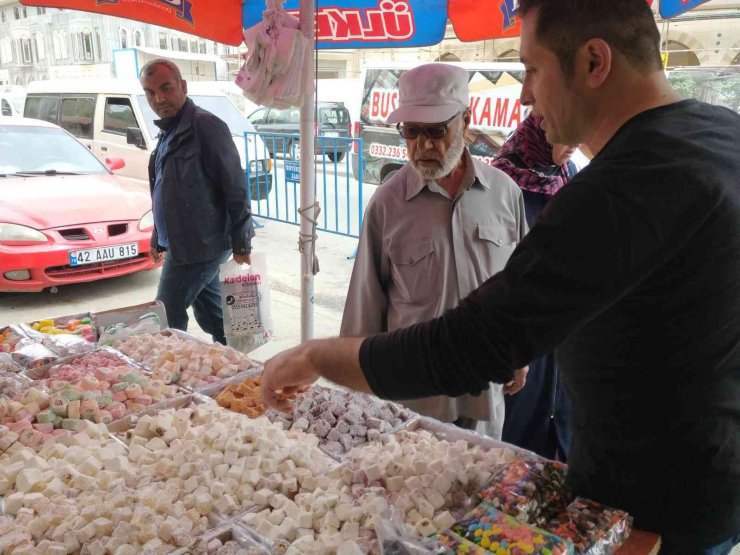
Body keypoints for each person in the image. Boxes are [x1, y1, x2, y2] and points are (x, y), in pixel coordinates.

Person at [261, 0, 740, 550]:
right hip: (711, 474)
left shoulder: (619, 189)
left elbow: (466, 346)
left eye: (532, 69)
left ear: (593, 62)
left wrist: (315, 356)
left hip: (654, 511)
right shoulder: (721, 134)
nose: (524, 96)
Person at [340, 63, 529, 438]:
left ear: (466, 122)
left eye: (437, 130)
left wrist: (521, 354)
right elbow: (364, 312)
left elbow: (522, 289)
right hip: (415, 404)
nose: (423, 145)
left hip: (486, 393)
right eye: (411, 131)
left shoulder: (506, 194)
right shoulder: (386, 205)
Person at [140, 59, 254, 344]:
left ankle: (169, 373)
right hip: (181, 241)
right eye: (151, 92)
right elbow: (165, 191)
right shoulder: (168, 130)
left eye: (166, 88)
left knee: (165, 313)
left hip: (201, 244)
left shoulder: (206, 126)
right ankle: (236, 367)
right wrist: (158, 236)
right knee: (212, 312)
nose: (159, 98)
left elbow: (235, 185)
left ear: (183, 86)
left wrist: (241, 242)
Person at [492, 113, 578, 460]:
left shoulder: (568, 176)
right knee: (519, 424)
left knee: (560, 422)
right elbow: (498, 271)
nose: (573, 146)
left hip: (562, 325)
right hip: (523, 329)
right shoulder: (501, 183)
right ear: (541, 133)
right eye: (566, 136)